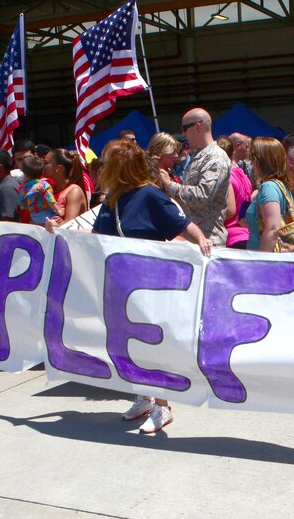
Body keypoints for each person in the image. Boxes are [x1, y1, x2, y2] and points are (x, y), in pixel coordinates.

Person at [62, 139, 210, 433]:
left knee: (153, 344)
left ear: (119, 167)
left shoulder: (150, 195)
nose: (102, 168)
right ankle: (144, 396)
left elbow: (182, 223)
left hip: (150, 285)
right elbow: (97, 238)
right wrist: (66, 235)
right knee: (127, 344)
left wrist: (202, 240)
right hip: (121, 285)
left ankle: (163, 406)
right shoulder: (111, 202)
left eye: (108, 163)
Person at [160, 108, 231, 247]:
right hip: (192, 241)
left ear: (197, 127)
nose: (183, 133)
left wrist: (169, 185)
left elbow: (202, 196)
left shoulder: (215, 158)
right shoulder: (198, 156)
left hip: (209, 242)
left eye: (185, 128)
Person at [244, 137, 293, 252]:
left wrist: (262, 261)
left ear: (262, 160)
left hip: (266, 259)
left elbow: (273, 228)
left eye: (252, 158)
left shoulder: (269, 187)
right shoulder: (280, 186)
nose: (250, 162)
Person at [217, 136, 251, 250]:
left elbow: (231, 210)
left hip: (232, 236)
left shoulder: (226, 176)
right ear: (232, 153)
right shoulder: (242, 174)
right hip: (246, 233)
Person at [44, 148, 88, 227]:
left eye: (46, 163)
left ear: (58, 168)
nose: (42, 165)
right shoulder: (49, 188)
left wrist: (55, 224)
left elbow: (69, 225)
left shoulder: (74, 191)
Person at [17, 155, 60, 226]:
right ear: (42, 172)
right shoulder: (43, 185)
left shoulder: (24, 189)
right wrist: (58, 210)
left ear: (25, 174)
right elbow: (50, 199)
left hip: (35, 218)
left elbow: (21, 204)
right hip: (49, 216)